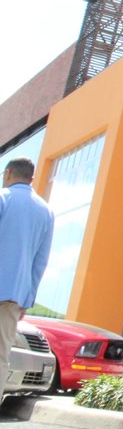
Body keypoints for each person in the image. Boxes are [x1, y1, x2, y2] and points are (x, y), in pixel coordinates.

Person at [0, 158, 54, 407]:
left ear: (8, 172)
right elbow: (40, 261)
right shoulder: (46, 211)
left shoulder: (3, 198)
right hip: (14, 295)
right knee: (2, 355)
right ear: (31, 178)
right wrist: (27, 299)